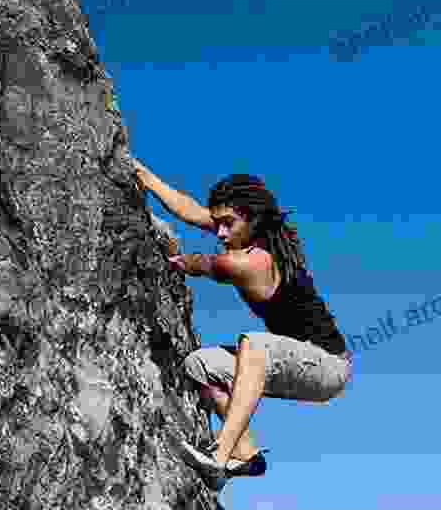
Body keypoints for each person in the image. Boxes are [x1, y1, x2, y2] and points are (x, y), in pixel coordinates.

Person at [134, 158, 353, 492]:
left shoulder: (254, 262)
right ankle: (246, 454)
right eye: (218, 222)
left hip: (328, 366)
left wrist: (173, 261)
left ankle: (219, 458)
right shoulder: (243, 234)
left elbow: (205, 264)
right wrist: (145, 177)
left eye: (228, 224)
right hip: (292, 363)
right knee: (198, 365)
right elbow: (192, 211)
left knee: (256, 343)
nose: (220, 232)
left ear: (252, 221)